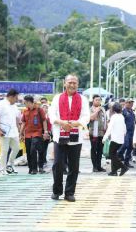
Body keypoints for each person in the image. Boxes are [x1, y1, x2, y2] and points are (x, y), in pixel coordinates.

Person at [48, 74, 90, 202]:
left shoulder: (83, 99)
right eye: (70, 82)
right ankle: (57, 190)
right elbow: (52, 114)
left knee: (74, 166)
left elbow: (86, 116)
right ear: (65, 83)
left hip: (76, 137)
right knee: (58, 164)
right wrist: (62, 123)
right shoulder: (57, 98)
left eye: (75, 83)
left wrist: (74, 124)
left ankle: (69, 192)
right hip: (59, 136)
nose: (72, 85)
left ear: (78, 84)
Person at [0, 89, 21, 175]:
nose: (17, 100)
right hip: (3, 131)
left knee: (16, 148)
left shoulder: (15, 106)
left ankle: (10, 163)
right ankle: (3, 169)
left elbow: (17, 119)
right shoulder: (0, 104)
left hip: (13, 131)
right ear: (11, 97)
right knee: (4, 150)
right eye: (16, 98)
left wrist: (19, 131)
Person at [20, 95, 49, 174]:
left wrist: (46, 131)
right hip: (28, 134)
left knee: (34, 150)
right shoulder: (25, 111)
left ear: (29, 102)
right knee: (29, 151)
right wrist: (21, 133)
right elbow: (23, 123)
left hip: (37, 133)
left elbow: (44, 121)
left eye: (25, 102)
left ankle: (39, 167)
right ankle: (31, 168)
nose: (24, 104)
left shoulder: (39, 110)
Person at [102, 102, 129, 176]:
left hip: (115, 139)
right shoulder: (121, 116)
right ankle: (114, 171)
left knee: (112, 154)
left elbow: (109, 128)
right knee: (114, 154)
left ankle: (123, 167)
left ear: (113, 109)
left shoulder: (114, 117)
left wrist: (105, 137)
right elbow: (124, 129)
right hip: (120, 139)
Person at [89, 95, 107, 172]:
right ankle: (94, 166)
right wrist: (96, 110)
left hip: (101, 132)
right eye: (96, 100)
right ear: (93, 101)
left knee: (100, 150)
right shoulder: (91, 109)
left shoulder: (103, 109)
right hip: (94, 133)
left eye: (99, 100)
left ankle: (99, 166)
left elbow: (105, 119)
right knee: (94, 149)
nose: (98, 101)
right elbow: (91, 118)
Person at [117, 98, 135, 168]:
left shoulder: (131, 112)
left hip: (132, 131)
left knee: (130, 147)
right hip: (126, 131)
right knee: (125, 145)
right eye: (129, 103)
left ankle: (126, 162)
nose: (131, 104)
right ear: (126, 103)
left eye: (132, 103)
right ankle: (118, 156)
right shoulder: (123, 111)